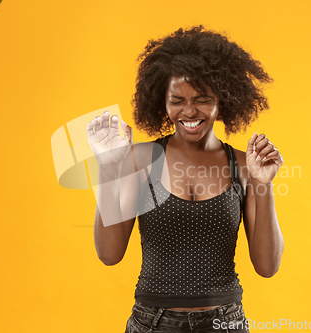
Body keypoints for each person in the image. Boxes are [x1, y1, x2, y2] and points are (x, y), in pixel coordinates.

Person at [87, 25, 284, 333]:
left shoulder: (244, 165)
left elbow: (267, 266)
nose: (189, 111)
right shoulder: (140, 159)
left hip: (225, 322)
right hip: (152, 323)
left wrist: (264, 183)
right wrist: (109, 167)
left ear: (223, 99)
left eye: (203, 98)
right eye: (177, 99)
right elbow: (109, 254)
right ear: (162, 103)